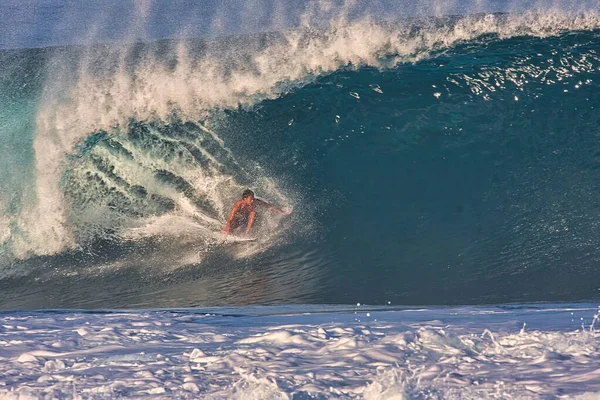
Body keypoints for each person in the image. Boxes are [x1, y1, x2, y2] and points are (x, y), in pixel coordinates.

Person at [222, 189, 291, 235]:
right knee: (232, 225)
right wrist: (227, 228)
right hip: (240, 217)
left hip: (250, 218)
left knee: (253, 212)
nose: (252, 200)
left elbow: (269, 206)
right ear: (245, 199)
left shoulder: (255, 202)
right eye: (251, 199)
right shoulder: (238, 205)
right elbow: (231, 218)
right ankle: (226, 231)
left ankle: (246, 232)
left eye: (253, 198)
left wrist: (282, 212)